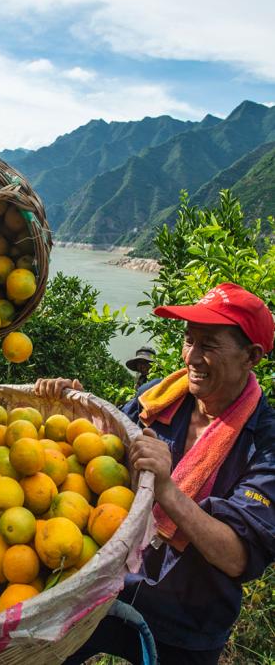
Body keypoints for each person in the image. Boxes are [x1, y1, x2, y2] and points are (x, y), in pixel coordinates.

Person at [35, 283, 274, 664]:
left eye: (209, 345)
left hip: (188, 621)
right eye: (189, 340)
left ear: (252, 356)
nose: (191, 356)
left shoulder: (265, 444)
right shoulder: (158, 399)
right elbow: (105, 456)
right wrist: (75, 413)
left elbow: (236, 557)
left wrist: (168, 489)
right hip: (111, 588)